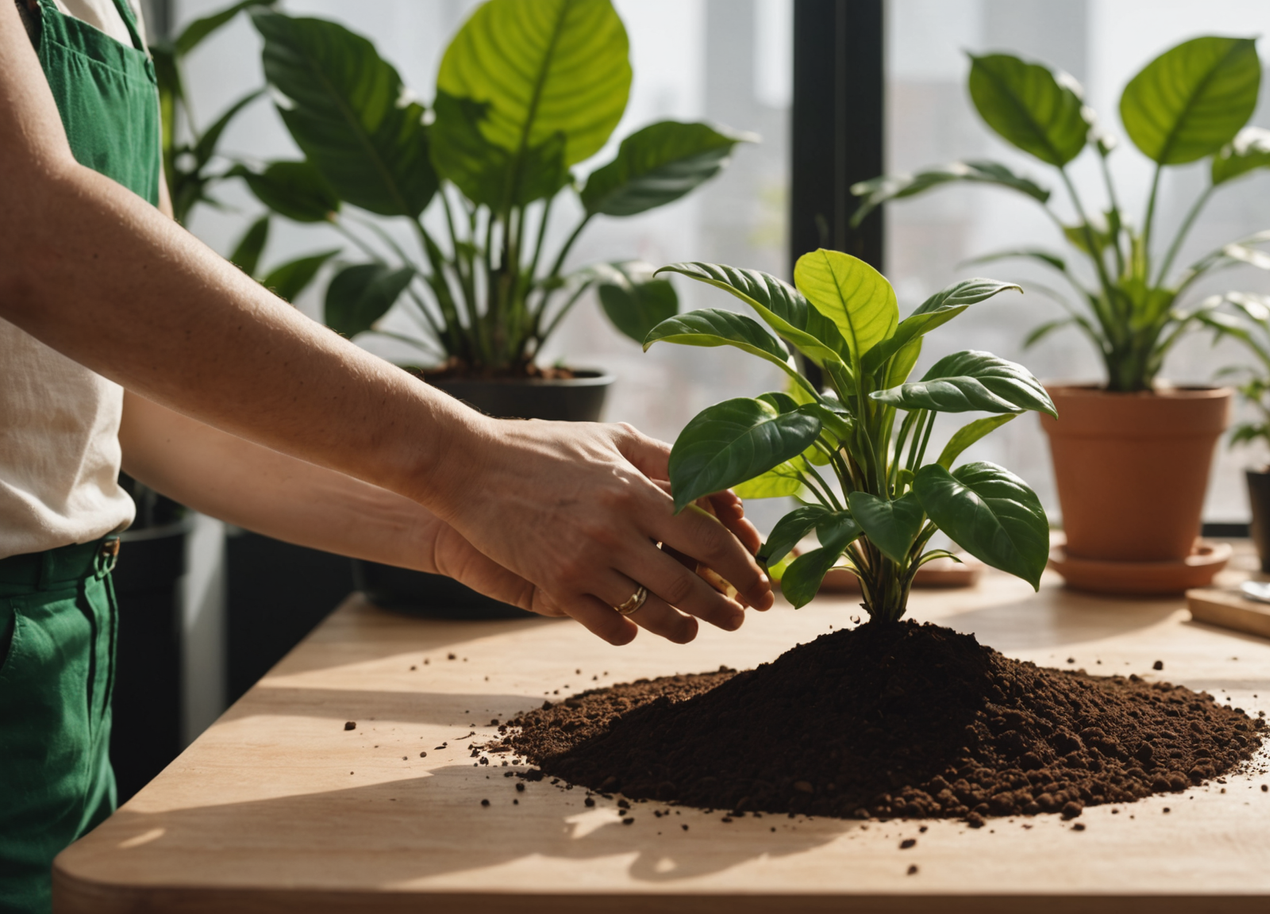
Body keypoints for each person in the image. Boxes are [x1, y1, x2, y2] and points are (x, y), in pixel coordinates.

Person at [0, 2, 774, 911]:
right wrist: (475, 466)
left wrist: (451, 524)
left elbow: (154, 404)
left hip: (66, 654)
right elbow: (31, 234)